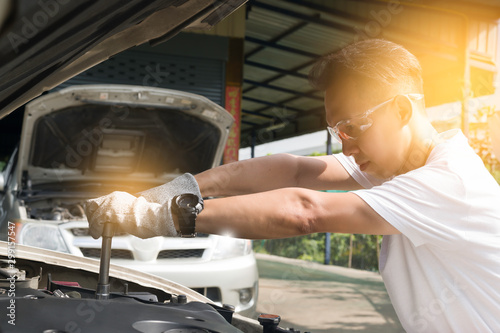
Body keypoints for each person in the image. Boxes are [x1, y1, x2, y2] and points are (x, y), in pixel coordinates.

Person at [85, 39, 500, 332]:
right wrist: (184, 187)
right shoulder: (397, 165)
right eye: (337, 129)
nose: (345, 144)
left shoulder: (448, 182)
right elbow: (295, 171)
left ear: (402, 109)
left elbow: (306, 211)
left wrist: (157, 215)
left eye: (353, 126)